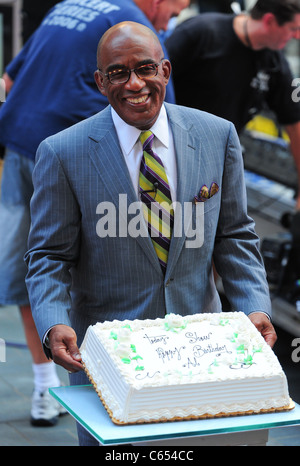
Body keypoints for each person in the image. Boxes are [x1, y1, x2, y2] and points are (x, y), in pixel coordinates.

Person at [25, 20, 276, 446]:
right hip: (107, 367)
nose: (134, 83)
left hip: (204, 356)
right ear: (100, 82)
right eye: (118, 73)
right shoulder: (62, 153)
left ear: (166, 71)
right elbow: (49, 256)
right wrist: (53, 324)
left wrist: (256, 306)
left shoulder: (217, 136)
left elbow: (234, 236)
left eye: (145, 68)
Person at [0, 0, 186, 428]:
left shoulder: (71, 5)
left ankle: (45, 385)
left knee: (35, 263)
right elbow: (158, 114)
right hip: (69, 158)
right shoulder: (130, 25)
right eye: (175, 8)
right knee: (110, 259)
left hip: (22, 142)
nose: (172, 18)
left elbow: (10, 76)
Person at [165, 0, 300, 208]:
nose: (297, 36)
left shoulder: (274, 65)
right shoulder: (201, 32)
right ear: (270, 21)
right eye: (293, 28)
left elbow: (294, 123)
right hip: (167, 153)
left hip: (216, 169)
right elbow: (151, 80)